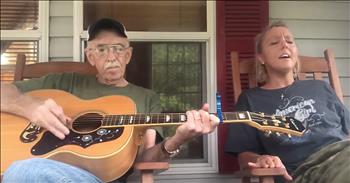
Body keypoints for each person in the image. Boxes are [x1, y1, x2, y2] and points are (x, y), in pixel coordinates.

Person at [1, 18, 219, 183]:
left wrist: (177, 140)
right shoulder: (64, 83)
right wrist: (29, 106)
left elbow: (146, 160)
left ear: (128, 55)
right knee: (24, 170)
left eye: (118, 49)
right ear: (90, 56)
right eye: (102, 50)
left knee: (23, 171)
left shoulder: (145, 99)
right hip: (36, 168)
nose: (111, 57)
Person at [225, 21, 350, 183]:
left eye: (290, 41)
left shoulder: (321, 87)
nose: (285, 45)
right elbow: (243, 155)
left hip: (342, 156)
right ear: (261, 57)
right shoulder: (250, 100)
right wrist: (261, 159)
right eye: (275, 42)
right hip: (306, 172)